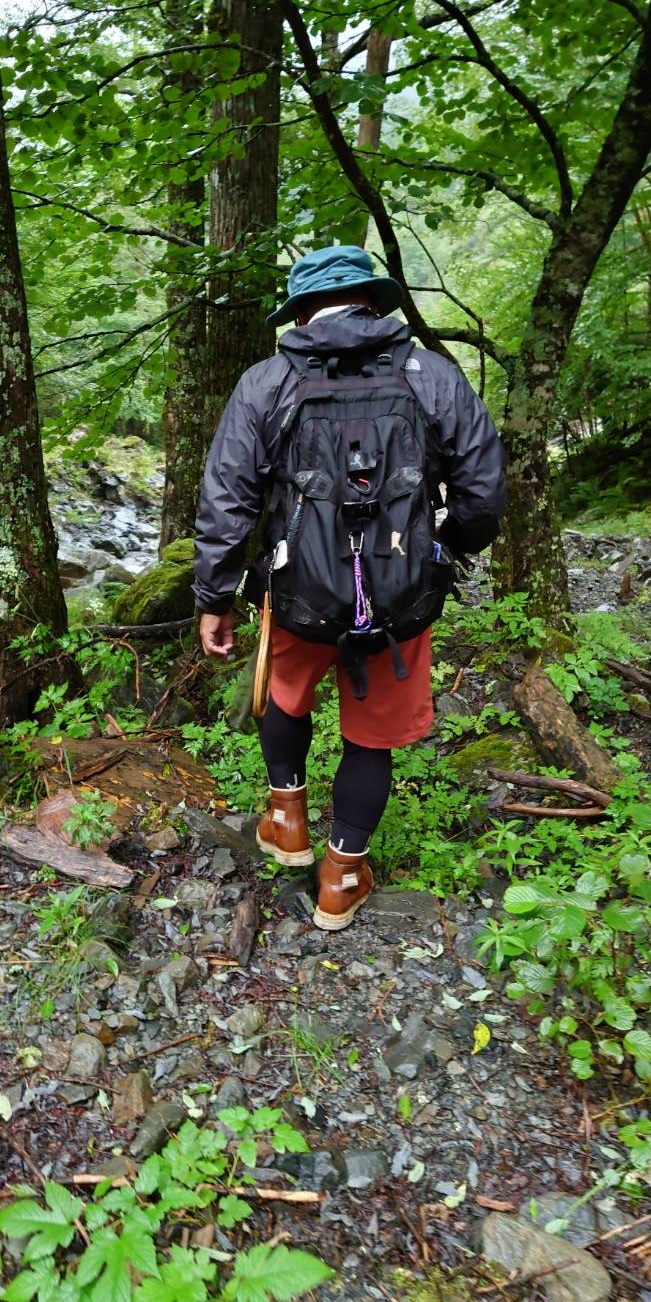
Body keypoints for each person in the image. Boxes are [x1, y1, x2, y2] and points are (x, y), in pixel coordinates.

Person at [193, 244, 505, 931]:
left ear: (302, 311)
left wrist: (214, 599)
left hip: (298, 592)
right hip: (398, 601)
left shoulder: (266, 382)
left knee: (285, 694)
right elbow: (482, 491)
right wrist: (445, 548)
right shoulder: (433, 375)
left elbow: (227, 501)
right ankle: (342, 876)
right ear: (374, 301)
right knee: (372, 739)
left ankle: (286, 819)